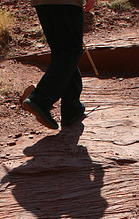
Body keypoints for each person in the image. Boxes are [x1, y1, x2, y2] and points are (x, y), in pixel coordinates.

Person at [22, 0, 96, 130]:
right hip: (67, 2)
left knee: (61, 52)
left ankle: (71, 108)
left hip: (42, 3)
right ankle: (40, 98)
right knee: (71, 51)